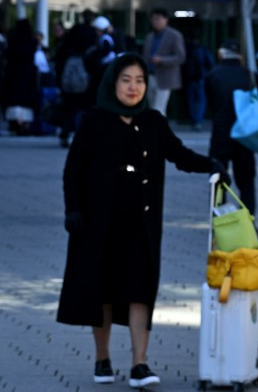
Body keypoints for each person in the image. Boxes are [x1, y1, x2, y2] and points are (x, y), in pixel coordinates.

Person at [58, 53, 228, 388]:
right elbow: (72, 171)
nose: (133, 87)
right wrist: (72, 210)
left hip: (141, 224)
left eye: (139, 80)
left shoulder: (153, 121)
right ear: (113, 83)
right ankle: (102, 359)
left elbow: (179, 155)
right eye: (126, 80)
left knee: (140, 290)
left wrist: (212, 165)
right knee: (103, 291)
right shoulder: (95, 121)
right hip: (98, 223)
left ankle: (140, 364)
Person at [205, 40, 258, 217]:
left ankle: (218, 222)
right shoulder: (249, 74)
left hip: (221, 134)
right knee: (246, 182)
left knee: (218, 180)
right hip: (245, 135)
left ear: (221, 54)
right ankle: (249, 221)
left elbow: (210, 105)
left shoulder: (213, 75)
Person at [56, 12, 100, 147]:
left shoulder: (71, 39)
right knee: (85, 109)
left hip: (69, 82)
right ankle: (82, 135)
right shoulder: (92, 39)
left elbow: (60, 59)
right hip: (85, 82)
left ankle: (65, 133)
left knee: (69, 109)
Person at [142, 8, 185, 116]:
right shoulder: (150, 37)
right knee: (152, 107)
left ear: (166, 20)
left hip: (165, 77)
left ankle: (159, 132)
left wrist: (162, 60)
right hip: (150, 75)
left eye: (158, 19)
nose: (155, 22)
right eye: (153, 19)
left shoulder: (174, 35)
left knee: (159, 108)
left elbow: (180, 57)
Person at [2, 18, 39, 135]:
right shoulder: (32, 42)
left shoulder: (13, 41)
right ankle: (24, 123)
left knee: (13, 98)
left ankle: (14, 123)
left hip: (13, 74)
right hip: (27, 74)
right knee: (26, 100)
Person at [183, 32, 214, 129]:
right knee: (201, 100)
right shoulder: (203, 49)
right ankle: (198, 120)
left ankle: (194, 119)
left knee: (192, 100)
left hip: (191, 79)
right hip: (201, 78)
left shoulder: (187, 49)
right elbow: (210, 63)